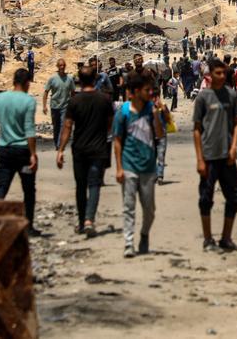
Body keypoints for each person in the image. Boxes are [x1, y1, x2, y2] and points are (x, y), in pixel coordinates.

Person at [56, 67, 114, 237]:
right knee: (94, 184)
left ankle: (82, 222)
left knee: (80, 186)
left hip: (79, 149)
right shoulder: (104, 100)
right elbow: (110, 124)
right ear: (95, 79)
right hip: (98, 148)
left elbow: (67, 126)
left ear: (79, 81)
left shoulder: (74, 101)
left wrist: (60, 149)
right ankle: (89, 219)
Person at [193, 59, 237, 252]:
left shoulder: (231, 96)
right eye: (218, 73)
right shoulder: (203, 98)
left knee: (234, 196)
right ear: (210, 75)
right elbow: (197, 129)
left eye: (224, 73)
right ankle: (207, 239)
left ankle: (226, 238)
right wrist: (199, 159)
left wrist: (234, 148)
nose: (222, 76)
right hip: (208, 155)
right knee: (206, 198)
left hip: (227, 155)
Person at [114, 72, 164, 257]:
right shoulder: (124, 112)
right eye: (146, 90)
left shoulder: (151, 109)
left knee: (149, 210)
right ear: (136, 91)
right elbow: (117, 140)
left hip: (148, 167)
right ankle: (128, 243)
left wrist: (156, 115)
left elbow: (159, 135)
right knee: (129, 207)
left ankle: (144, 234)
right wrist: (119, 167)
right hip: (129, 167)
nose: (150, 93)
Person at [0, 68, 39, 234]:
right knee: (29, 189)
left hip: (5, 150)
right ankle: (28, 225)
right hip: (23, 152)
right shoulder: (29, 101)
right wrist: (33, 154)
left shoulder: (0, 99)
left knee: (1, 187)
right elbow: (29, 130)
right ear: (26, 83)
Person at [43, 59, 76, 148]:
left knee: (62, 125)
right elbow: (46, 91)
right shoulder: (52, 78)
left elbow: (73, 92)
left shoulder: (69, 79)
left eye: (63, 65)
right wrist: (44, 106)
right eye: (60, 65)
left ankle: (59, 145)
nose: (62, 67)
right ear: (57, 66)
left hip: (65, 106)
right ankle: (56, 141)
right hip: (54, 106)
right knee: (56, 126)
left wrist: (73, 105)